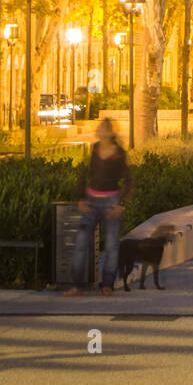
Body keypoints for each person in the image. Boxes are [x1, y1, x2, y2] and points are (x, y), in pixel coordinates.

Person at [64, 118, 133, 296]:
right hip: (91, 200)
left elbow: (128, 181)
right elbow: (85, 173)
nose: (98, 129)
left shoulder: (119, 153)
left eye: (102, 127)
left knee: (111, 246)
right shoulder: (94, 149)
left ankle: (107, 284)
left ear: (110, 132)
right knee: (81, 243)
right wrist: (81, 198)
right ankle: (77, 286)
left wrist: (121, 204)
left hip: (111, 202)